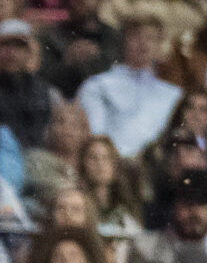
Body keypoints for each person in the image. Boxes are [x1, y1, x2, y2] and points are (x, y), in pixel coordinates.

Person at [78, 15, 183, 158]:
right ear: (124, 42)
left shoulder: (173, 95)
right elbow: (96, 134)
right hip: (111, 164)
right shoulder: (98, 86)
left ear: (159, 46)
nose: (143, 43)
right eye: (136, 36)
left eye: (150, 38)